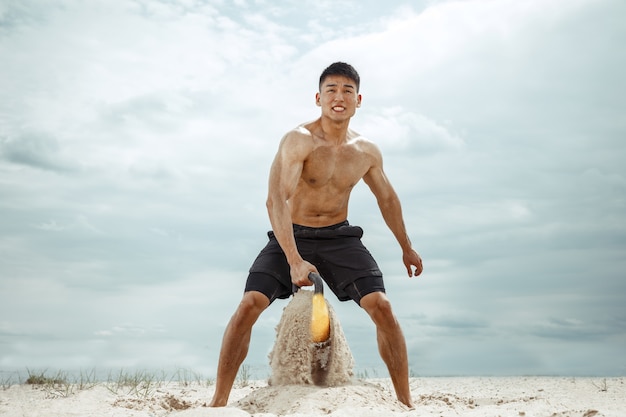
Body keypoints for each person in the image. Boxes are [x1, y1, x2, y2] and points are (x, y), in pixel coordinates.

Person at [209, 62, 423, 408]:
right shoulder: (299, 140)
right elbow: (275, 199)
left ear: (358, 100)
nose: (339, 97)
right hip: (291, 234)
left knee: (382, 307)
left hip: (340, 237)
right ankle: (218, 402)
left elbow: (387, 198)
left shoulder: (366, 151)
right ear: (318, 98)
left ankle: (406, 403)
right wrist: (293, 260)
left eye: (347, 91)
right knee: (249, 304)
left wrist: (406, 247)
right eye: (331, 90)